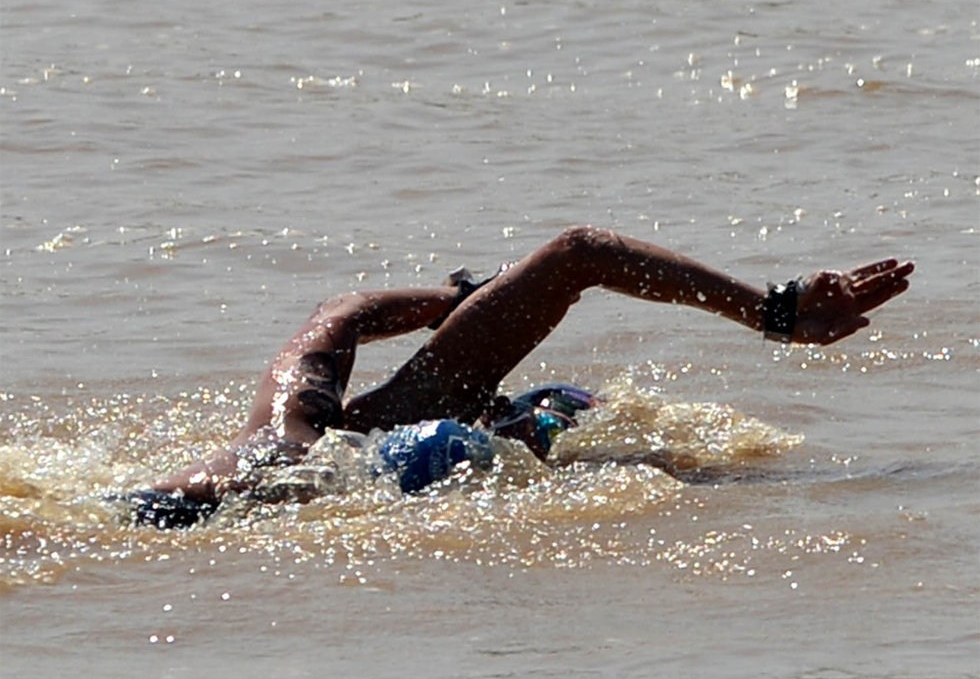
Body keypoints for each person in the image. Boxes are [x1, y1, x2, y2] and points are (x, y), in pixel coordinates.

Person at [126, 226, 914, 528]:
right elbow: (581, 252)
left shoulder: (294, 424)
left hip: (154, 511)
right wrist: (776, 314)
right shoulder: (417, 415)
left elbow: (346, 307)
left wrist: (458, 301)